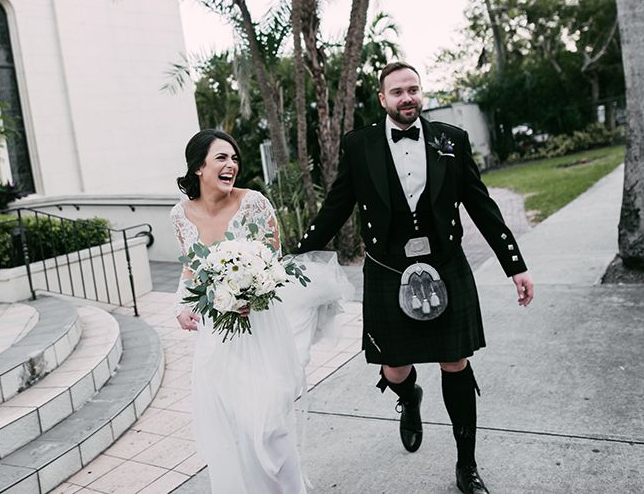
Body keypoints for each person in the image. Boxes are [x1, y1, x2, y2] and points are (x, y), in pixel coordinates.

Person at [296, 62, 534, 494]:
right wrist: (296, 257)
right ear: (383, 98)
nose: (407, 98)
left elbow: (481, 206)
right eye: (397, 91)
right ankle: (410, 399)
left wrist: (514, 263)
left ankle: (467, 466)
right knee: (395, 366)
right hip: (388, 268)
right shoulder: (359, 145)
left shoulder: (451, 140)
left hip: (445, 263)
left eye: (413, 90)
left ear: (420, 94)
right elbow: (335, 207)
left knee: (455, 362)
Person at [171, 129, 349, 494]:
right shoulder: (180, 215)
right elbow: (191, 267)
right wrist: (182, 303)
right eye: (221, 158)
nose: (231, 165)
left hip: (261, 327)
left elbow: (273, 263)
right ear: (198, 168)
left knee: (269, 424)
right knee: (235, 426)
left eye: (234, 158)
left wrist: (252, 296)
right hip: (217, 333)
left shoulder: (254, 203)